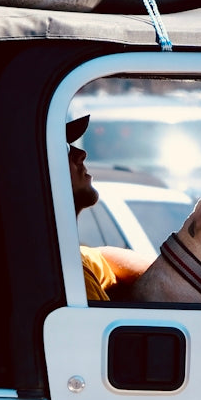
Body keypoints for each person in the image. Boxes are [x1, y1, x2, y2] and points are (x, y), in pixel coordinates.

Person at [66, 115, 154, 300]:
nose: (81, 153)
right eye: (64, 147)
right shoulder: (71, 276)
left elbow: (103, 257)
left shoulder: (72, 258)